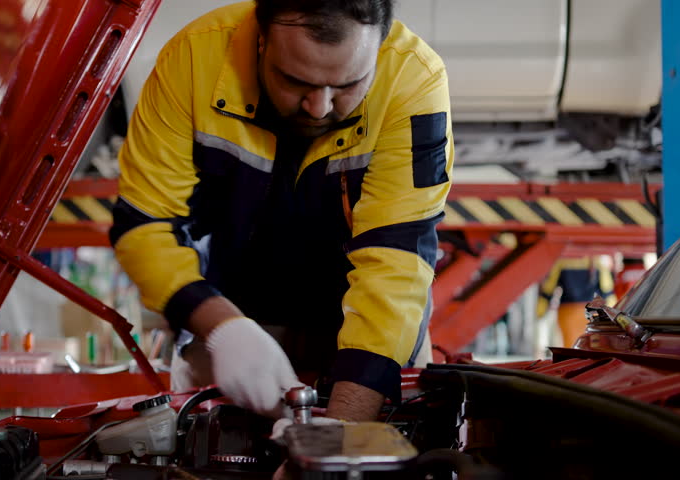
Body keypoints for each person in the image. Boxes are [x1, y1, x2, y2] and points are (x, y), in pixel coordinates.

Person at [109, 0, 453, 422]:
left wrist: (342, 435)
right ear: (260, 39)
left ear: (380, 46)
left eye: (348, 85)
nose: (319, 107)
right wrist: (221, 328)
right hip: (232, 327)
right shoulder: (195, 60)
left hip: (373, 335)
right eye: (296, 81)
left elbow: (398, 254)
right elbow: (145, 224)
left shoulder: (413, 78)